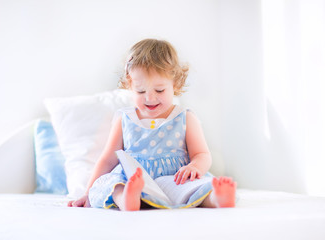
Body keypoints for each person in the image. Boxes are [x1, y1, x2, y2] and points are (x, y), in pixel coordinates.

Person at [68, 39, 236, 211]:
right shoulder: (124, 119)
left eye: (159, 90)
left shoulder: (185, 117)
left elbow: (202, 154)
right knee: (109, 185)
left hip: (174, 181)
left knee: (197, 188)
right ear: (129, 84)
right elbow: (107, 159)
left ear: (175, 84)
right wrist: (88, 192)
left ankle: (216, 198)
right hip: (135, 180)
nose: (150, 98)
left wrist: (194, 167)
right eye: (140, 91)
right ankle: (126, 198)